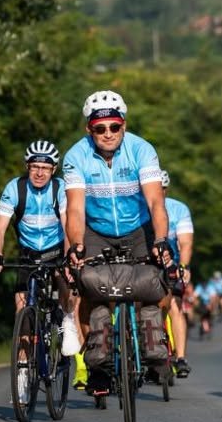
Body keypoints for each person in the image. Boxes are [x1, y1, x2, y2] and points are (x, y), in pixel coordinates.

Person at [64, 89, 171, 398]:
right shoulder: (75, 156)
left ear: (124, 124)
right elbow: (75, 209)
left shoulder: (142, 150)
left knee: (151, 285)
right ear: (90, 129)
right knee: (93, 290)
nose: (108, 133)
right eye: (100, 128)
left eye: (114, 126)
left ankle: (153, 350)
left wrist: (161, 240)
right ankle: (99, 368)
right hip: (97, 231)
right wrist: (76, 245)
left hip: (138, 229)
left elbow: (156, 202)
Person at [0, 140, 81, 404]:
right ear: (27, 167)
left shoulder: (60, 188)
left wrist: (69, 256)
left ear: (54, 170)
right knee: (22, 315)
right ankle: (21, 379)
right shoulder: (15, 188)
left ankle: (67, 319)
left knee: (64, 280)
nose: (40, 173)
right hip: (28, 254)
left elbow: (68, 224)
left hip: (56, 250)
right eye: (34, 167)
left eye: (45, 168)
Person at [158, 169, 195, 378]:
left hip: (172, 265)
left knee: (175, 305)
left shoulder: (178, 209)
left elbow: (186, 242)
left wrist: (184, 266)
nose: (159, 192)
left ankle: (180, 358)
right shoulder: (139, 207)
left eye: (163, 188)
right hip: (148, 264)